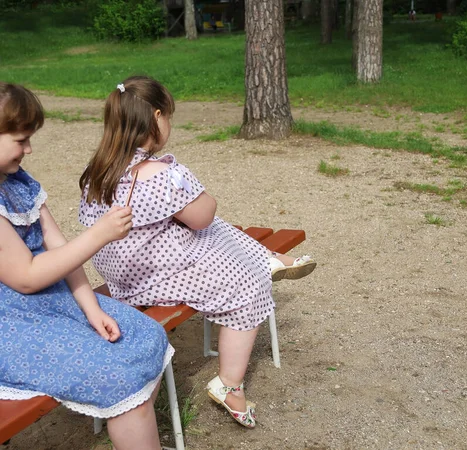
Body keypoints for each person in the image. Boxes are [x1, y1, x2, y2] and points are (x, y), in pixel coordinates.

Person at [78, 75, 316, 429]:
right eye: (168, 117)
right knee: (245, 283)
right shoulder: (161, 174)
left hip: (122, 273)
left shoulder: (99, 171)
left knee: (203, 232)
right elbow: (203, 217)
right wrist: (203, 197)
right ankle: (229, 385)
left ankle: (268, 258)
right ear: (157, 117)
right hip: (157, 273)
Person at [0, 82, 174, 450]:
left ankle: (131, 424)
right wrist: (99, 234)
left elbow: (62, 250)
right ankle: (130, 420)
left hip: (53, 302)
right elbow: (27, 277)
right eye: (20, 140)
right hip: (10, 322)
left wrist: (92, 309)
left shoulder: (19, 183)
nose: (29, 149)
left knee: (148, 337)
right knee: (116, 374)